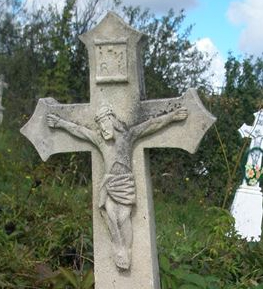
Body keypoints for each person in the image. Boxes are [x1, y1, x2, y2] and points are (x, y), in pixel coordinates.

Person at [46, 105, 187, 270]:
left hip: (124, 182)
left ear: (112, 120)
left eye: (104, 123)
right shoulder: (100, 140)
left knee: (124, 216)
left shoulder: (128, 136)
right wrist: (60, 123)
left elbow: (151, 125)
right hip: (109, 183)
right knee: (111, 215)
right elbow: (79, 130)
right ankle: (118, 248)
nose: (102, 128)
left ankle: (126, 250)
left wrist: (172, 116)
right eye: (99, 125)